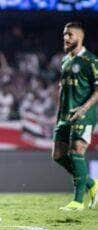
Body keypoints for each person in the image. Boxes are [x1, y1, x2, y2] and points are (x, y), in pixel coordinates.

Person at [52, 22, 98, 211]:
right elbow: (64, 88)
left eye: (69, 34)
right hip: (64, 115)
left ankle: (78, 201)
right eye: (64, 34)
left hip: (83, 114)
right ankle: (91, 184)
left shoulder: (90, 61)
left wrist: (83, 108)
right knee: (58, 155)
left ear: (79, 37)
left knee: (76, 151)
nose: (66, 38)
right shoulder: (64, 61)